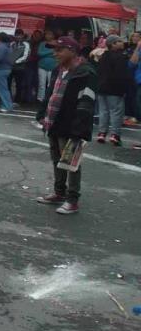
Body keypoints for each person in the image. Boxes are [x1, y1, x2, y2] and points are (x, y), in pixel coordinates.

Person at [35, 36, 97, 214]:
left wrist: (79, 128)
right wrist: (42, 113)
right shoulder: (58, 69)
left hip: (71, 125)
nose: (55, 54)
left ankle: (72, 199)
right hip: (53, 122)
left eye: (59, 50)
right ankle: (59, 192)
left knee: (71, 163)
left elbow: (87, 102)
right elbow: (50, 93)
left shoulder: (85, 72)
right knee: (57, 160)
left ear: (72, 51)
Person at [95, 35, 128, 146]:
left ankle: (102, 133)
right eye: (119, 41)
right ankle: (115, 135)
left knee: (103, 111)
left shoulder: (103, 56)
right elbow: (121, 74)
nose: (122, 43)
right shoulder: (121, 57)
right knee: (116, 111)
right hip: (115, 88)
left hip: (101, 87)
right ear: (113, 44)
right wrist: (124, 88)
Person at [36, 29, 58, 105]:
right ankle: (40, 99)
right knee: (41, 84)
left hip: (53, 67)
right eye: (46, 34)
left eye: (50, 34)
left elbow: (56, 54)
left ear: (53, 35)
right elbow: (39, 53)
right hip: (42, 66)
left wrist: (46, 54)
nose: (48, 36)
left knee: (50, 84)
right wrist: (51, 51)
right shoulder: (42, 43)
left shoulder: (57, 43)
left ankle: (49, 99)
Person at [9, 29, 31, 104]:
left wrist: (16, 62)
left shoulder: (26, 44)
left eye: (20, 35)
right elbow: (9, 54)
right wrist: (10, 61)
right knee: (8, 83)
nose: (18, 36)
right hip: (11, 67)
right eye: (17, 35)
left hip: (20, 68)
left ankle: (17, 100)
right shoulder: (12, 44)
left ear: (22, 35)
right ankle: (8, 99)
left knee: (19, 84)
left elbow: (26, 56)